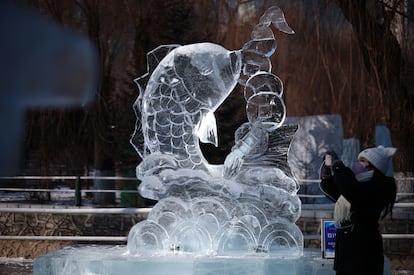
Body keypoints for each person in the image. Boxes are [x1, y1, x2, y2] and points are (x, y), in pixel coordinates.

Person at [319, 145, 397, 275]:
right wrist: (327, 172)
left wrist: (338, 165)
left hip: (363, 255)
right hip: (347, 255)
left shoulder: (379, 186)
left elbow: (351, 191)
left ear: (372, 166)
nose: (356, 164)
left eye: (361, 161)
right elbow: (337, 190)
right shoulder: (358, 183)